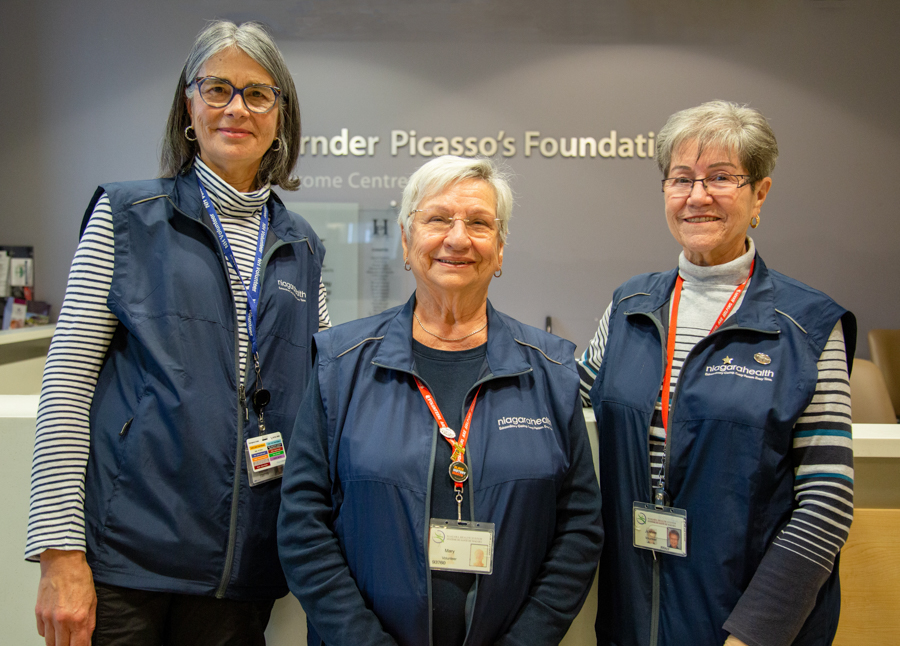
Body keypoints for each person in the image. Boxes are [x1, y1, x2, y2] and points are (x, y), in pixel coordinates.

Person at [26, 20, 328, 646]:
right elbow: (65, 389)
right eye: (216, 88)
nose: (236, 108)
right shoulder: (126, 215)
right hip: (126, 566)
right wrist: (59, 556)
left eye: (257, 93)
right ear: (188, 106)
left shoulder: (304, 247)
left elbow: (322, 399)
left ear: (281, 114)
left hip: (245, 569)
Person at [278, 155, 603, 646]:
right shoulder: (340, 363)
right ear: (407, 243)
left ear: (499, 250)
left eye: (478, 223)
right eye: (437, 219)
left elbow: (579, 528)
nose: (457, 238)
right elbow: (303, 522)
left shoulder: (551, 368)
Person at [578, 101, 855, 646]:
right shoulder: (628, 307)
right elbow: (573, 418)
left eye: (721, 178)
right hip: (631, 618)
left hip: (745, 626)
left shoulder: (807, 326)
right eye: (681, 179)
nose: (697, 196)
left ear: (760, 194)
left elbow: (827, 499)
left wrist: (755, 634)